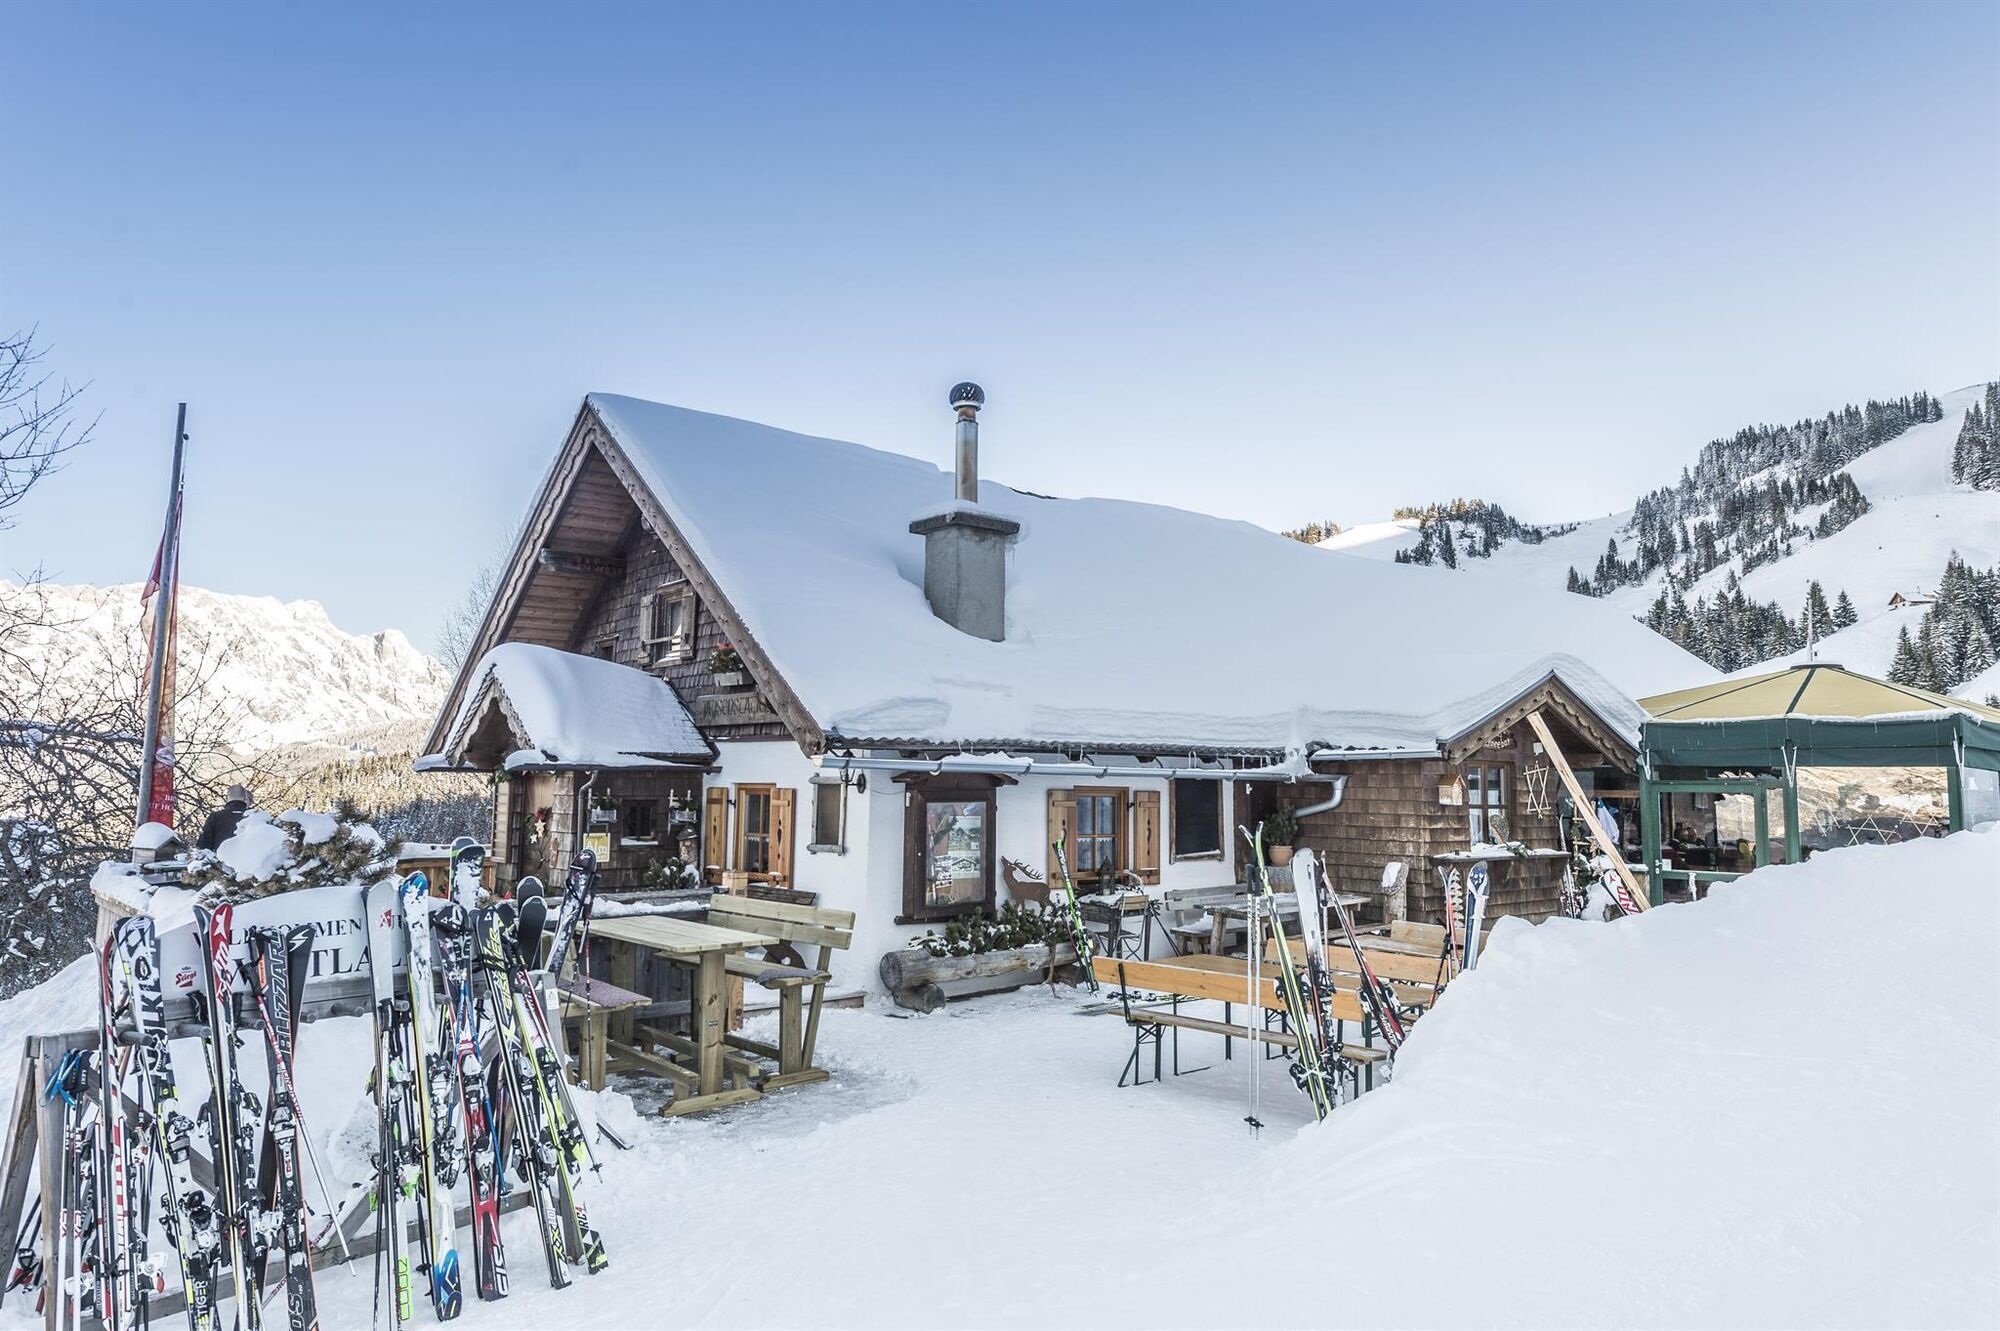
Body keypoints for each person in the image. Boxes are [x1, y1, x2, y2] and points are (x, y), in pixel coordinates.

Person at [198, 784, 252, 851]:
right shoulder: (254, 816)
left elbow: (203, 845)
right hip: (250, 856)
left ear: (227, 797)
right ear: (244, 797)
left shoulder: (215, 817)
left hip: (220, 856)